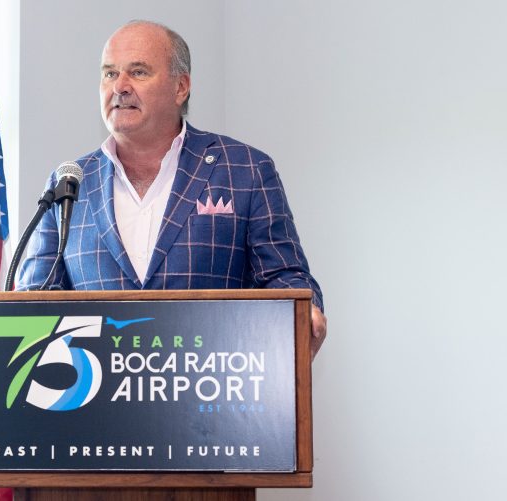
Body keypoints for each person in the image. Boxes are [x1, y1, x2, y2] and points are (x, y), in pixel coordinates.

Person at [17, 20, 327, 358]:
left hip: (213, 379)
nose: (119, 86)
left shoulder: (245, 169)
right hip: (94, 384)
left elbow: (284, 276)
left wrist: (304, 312)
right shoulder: (69, 184)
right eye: (109, 73)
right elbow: (35, 299)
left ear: (180, 87)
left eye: (138, 72)